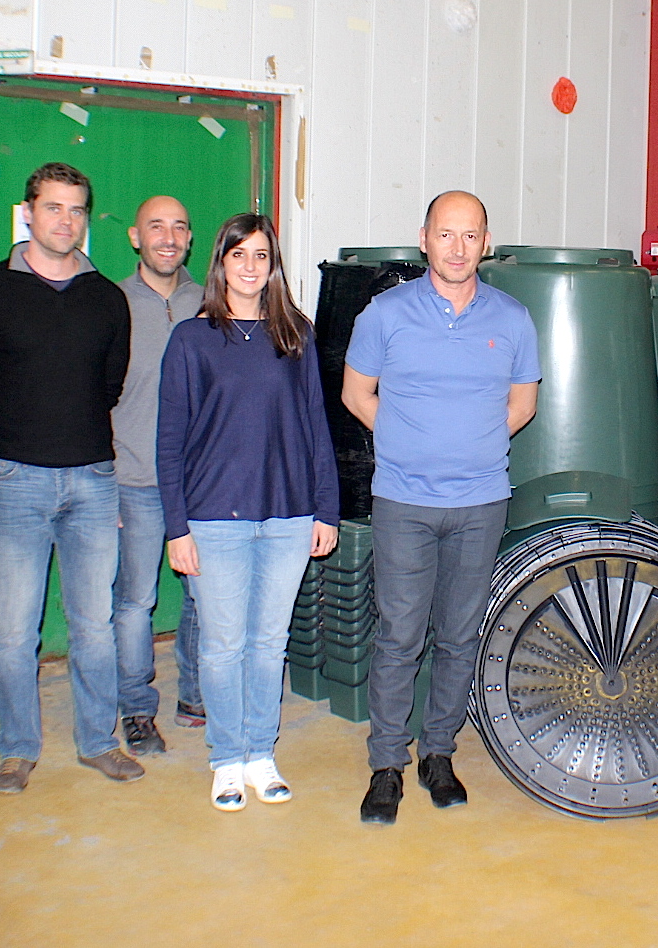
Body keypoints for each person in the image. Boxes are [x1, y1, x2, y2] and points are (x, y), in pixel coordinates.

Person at [342, 190, 540, 825]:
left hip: (481, 504)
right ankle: (385, 767)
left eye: (470, 235)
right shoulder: (385, 313)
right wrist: (407, 446)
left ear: (487, 243)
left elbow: (523, 404)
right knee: (399, 636)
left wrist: (472, 448)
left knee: (458, 637)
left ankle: (438, 754)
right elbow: (355, 394)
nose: (458, 248)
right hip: (403, 501)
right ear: (424, 239)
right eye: (446, 234)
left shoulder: (512, 318)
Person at [0, 162, 140, 792]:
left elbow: (109, 386)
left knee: (94, 623)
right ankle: (17, 748)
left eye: (78, 209)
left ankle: (97, 740)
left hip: (91, 478)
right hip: (13, 481)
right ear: (28, 211)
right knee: (13, 627)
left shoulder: (106, 298)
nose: (66, 220)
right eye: (54, 207)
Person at [158, 213, 339, 811]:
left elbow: (317, 427)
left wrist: (326, 511)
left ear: (272, 266)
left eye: (261, 255)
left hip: (287, 516)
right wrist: (176, 527)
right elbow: (171, 440)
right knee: (222, 644)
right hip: (214, 519)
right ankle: (226, 759)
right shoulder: (191, 338)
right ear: (221, 262)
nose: (250, 266)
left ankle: (261, 752)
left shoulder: (296, 337)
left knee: (269, 643)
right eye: (239, 254)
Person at [111, 195, 206, 753]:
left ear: (190, 239)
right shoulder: (111, 304)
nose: (168, 237)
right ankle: (136, 708)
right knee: (135, 601)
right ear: (134, 236)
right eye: (156, 227)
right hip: (136, 481)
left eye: (179, 226)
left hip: (202, 483)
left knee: (202, 595)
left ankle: (194, 692)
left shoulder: (210, 301)